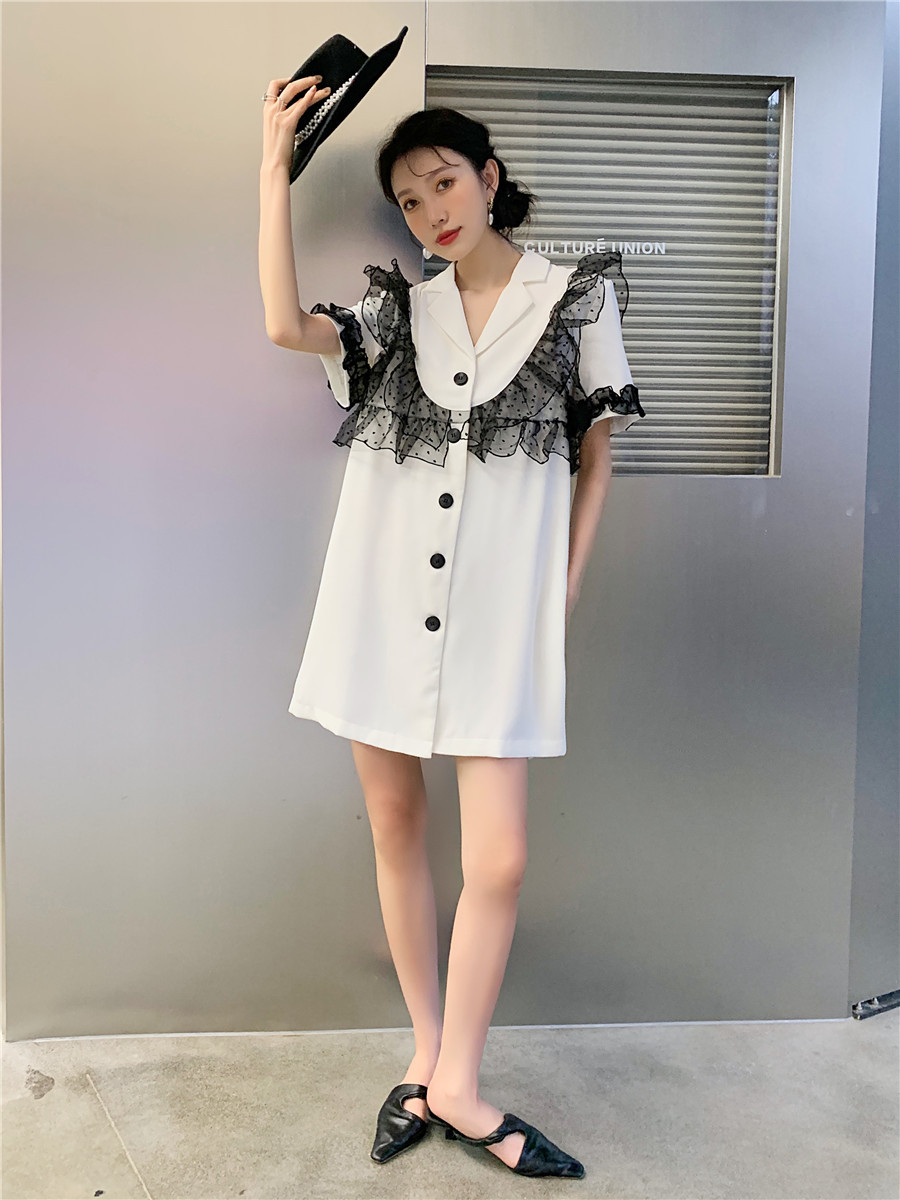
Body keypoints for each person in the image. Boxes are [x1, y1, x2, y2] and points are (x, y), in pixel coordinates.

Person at [259, 78, 644, 1180]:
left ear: (488, 177)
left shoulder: (574, 300)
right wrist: (273, 169)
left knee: (500, 860)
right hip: (377, 609)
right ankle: (433, 1062)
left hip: (497, 620)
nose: (432, 209)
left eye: (445, 182)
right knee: (394, 828)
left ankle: (458, 1082)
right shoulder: (399, 314)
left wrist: (561, 589)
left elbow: (597, 456)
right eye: (410, 198)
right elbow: (284, 325)